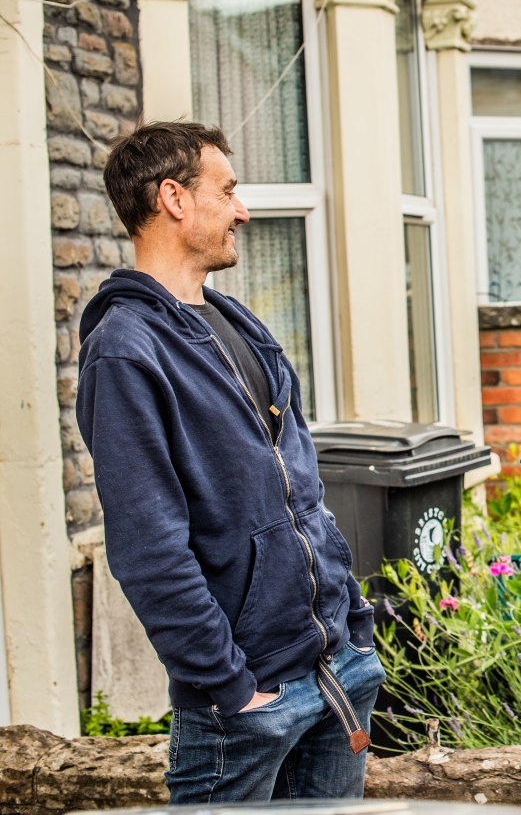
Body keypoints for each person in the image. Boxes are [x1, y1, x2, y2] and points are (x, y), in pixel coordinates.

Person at [77, 122, 384, 803]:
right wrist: (232, 688)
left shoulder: (235, 321)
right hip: (249, 703)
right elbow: (147, 546)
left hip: (336, 672)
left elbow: (302, 488)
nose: (242, 209)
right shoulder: (126, 350)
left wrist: (355, 627)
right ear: (174, 199)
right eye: (228, 190)